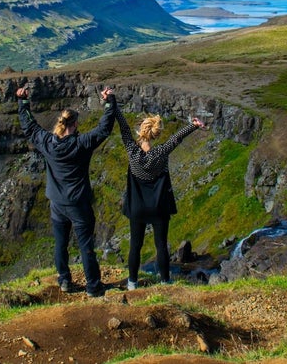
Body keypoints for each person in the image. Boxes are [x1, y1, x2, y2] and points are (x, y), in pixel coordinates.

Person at [16, 83, 117, 297]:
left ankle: (64, 281)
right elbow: (104, 129)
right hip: (78, 204)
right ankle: (93, 286)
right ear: (76, 123)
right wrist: (109, 104)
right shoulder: (81, 144)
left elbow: (29, 127)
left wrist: (23, 102)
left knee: (60, 244)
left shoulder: (47, 143)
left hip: (57, 204)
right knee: (85, 245)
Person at [116, 104, 205, 289]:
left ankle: (132, 282)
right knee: (161, 245)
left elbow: (123, 128)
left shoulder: (133, 152)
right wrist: (194, 125)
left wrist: (112, 104)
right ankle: (165, 281)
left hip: (137, 207)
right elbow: (176, 138)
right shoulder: (161, 153)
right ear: (155, 133)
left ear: (141, 132)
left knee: (135, 245)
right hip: (159, 206)